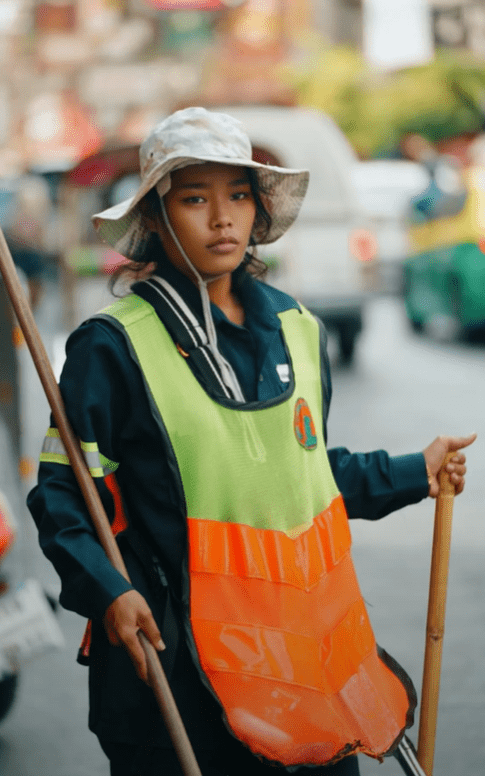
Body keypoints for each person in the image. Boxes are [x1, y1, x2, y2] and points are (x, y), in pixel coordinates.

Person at [28, 108, 475, 776]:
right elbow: (64, 495)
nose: (221, 218)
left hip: (307, 676)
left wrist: (417, 470)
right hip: (180, 678)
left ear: (259, 209)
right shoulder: (111, 346)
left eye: (237, 194)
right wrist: (106, 589)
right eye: (194, 198)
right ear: (155, 217)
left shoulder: (296, 328)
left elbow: (303, 478)